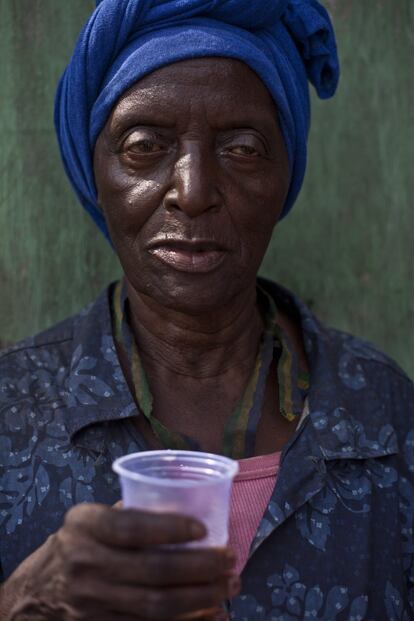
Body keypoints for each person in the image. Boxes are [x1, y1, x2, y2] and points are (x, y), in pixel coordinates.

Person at [0, 0, 413, 619]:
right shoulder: (10, 414)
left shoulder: (387, 419)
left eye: (243, 148)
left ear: (285, 175)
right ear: (94, 172)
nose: (192, 193)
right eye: (144, 145)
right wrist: (21, 602)